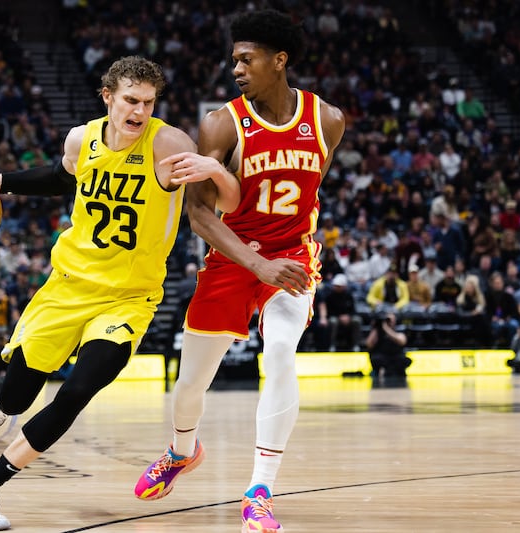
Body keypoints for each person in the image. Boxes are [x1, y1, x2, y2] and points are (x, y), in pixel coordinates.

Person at [0, 56, 195, 531]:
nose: (139, 111)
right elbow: (60, 178)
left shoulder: (168, 144)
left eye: (148, 102)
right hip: (68, 285)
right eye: (130, 100)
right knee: (18, 395)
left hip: (129, 298)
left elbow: (203, 189)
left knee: (77, 390)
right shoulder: (81, 139)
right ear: (108, 97)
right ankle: (4, 402)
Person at [134, 11, 345, 533]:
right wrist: (256, 262)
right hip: (233, 257)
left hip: (291, 258)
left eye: (246, 59)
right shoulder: (221, 123)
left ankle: (260, 490)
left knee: (280, 353)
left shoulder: (327, 120)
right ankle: (182, 451)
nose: (236, 69)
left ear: (279, 60)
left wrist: (276, 262)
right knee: (191, 383)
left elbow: (308, 197)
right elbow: (199, 213)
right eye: (234, 60)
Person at [364, 311, 411, 381]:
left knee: (405, 360)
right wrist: (376, 328)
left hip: (396, 357)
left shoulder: (398, 331)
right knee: (376, 359)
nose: (388, 322)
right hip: (382, 356)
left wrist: (386, 328)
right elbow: (368, 344)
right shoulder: (377, 331)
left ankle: (389, 372)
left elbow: (402, 341)